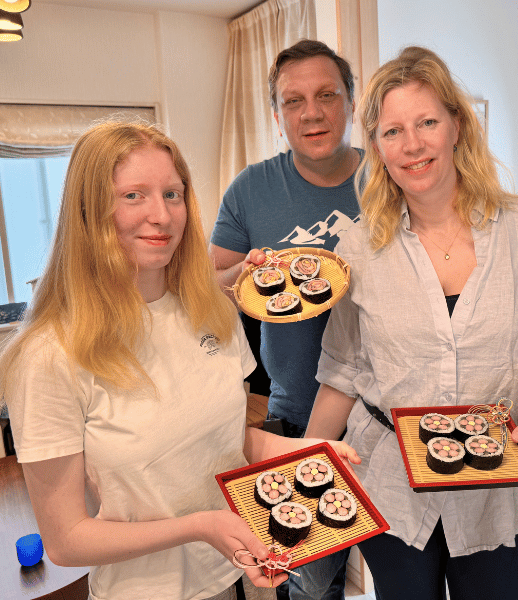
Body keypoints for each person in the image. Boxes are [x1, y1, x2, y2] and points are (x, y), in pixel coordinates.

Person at [0, 120, 360, 600]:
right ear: (88, 210)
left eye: (172, 194)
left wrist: (310, 452)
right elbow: (65, 541)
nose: (161, 216)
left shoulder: (210, 312)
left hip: (241, 577)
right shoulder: (50, 354)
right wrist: (197, 527)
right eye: (134, 196)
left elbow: (223, 441)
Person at [304, 46, 518, 600]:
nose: (412, 145)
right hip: (391, 486)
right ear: (377, 148)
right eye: (392, 131)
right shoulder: (358, 247)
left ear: (457, 125)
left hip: (500, 488)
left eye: (427, 122)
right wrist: (301, 476)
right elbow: (343, 370)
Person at [208, 40, 361, 600]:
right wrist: (244, 276)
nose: (312, 112)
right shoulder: (251, 189)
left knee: (403, 573)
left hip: (388, 417)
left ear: (350, 99)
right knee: (312, 583)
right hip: (297, 417)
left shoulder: (392, 178)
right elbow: (209, 289)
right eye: (293, 101)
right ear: (277, 115)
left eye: (326, 95)